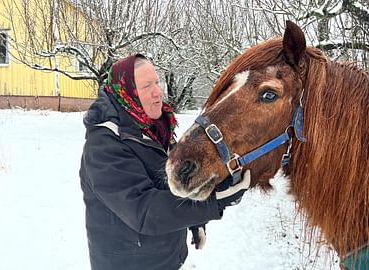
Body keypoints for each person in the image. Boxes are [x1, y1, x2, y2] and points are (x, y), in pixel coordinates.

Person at [79, 54, 251, 270]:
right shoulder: (104, 146)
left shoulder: (157, 127)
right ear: (127, 93)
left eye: (157, 82)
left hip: (166, 259)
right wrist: (213, 202)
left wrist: (196, 221)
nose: (158, 92)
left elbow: (177, 181)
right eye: (146, 86)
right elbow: (144, 211)